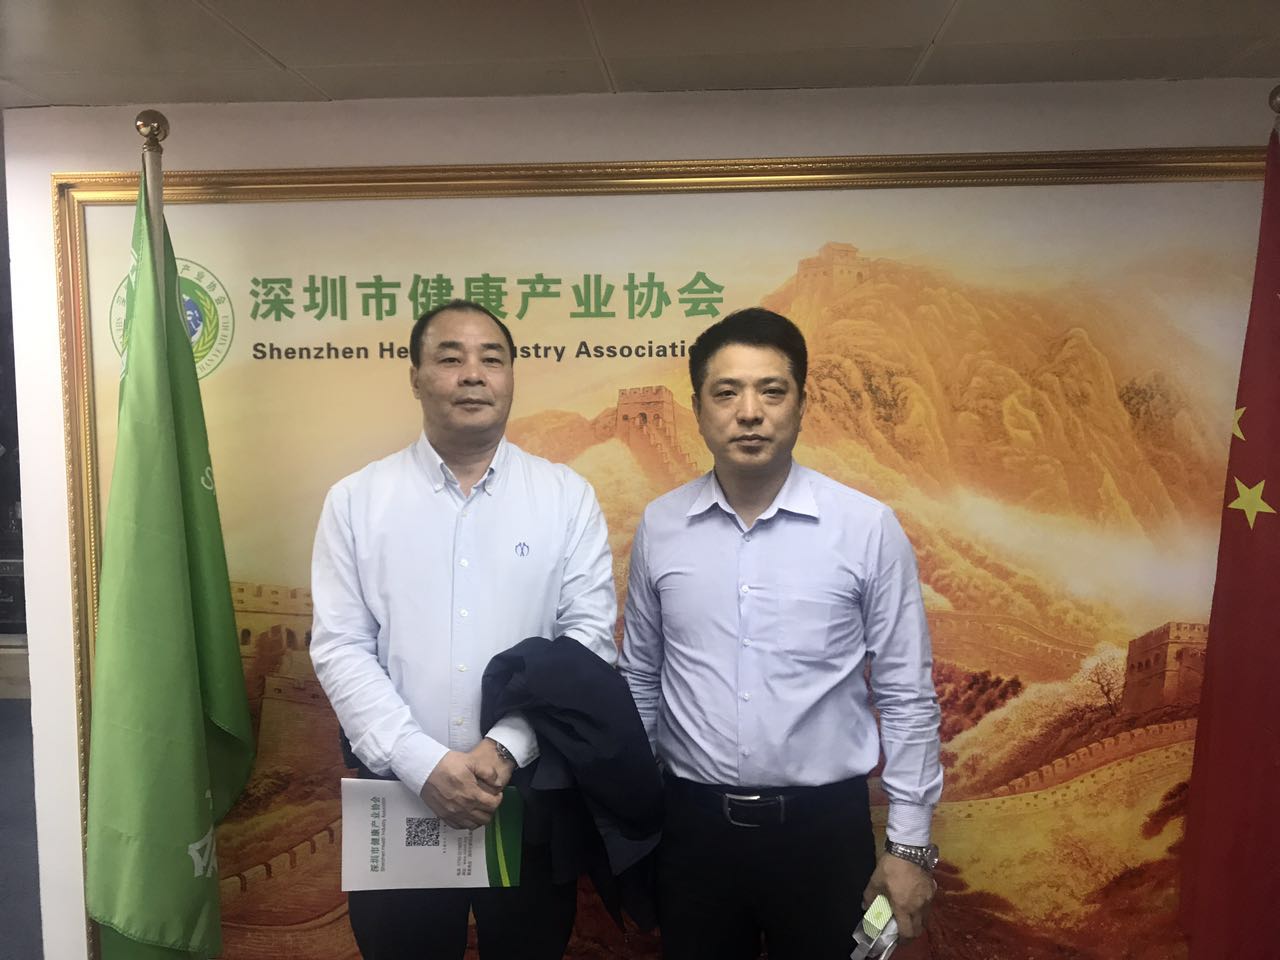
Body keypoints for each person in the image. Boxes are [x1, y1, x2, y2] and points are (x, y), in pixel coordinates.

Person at [620, 307, 943, 960]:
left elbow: (906, 693)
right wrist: (635, 819)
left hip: (824, 836)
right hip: (693, 836)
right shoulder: (661, 525)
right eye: (726, 392)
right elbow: (641, 678)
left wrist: (909, 846)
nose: (750, 413)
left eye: (772, 391)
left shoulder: (865, 528)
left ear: (801, 404)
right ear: (697, 408)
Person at [310, 299, 616, 960]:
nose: (473, 374)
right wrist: (422, 763)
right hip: (400, 795)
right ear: (416, 377)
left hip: (528, 798)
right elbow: (340, 646)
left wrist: (504, 749)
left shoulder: (565, 498)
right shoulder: (357, 501)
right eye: (450, 358)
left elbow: (588, 640)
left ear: (511, 378)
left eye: (492, 359)